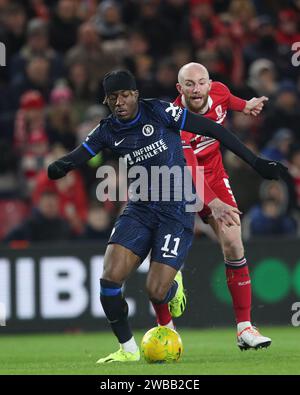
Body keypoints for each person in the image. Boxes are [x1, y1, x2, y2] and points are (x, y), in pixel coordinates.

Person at [48, 70, 286, 363]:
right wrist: (60, 166)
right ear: (107, 101)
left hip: (175, 208)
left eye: (124, 95)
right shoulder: (107, 129)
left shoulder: (162, 112)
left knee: (156, 290)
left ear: (136, 94)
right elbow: (80, 154)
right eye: (113, 98)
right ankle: (128, 349)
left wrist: (256, 162)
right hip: (140, 208)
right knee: (109, 280)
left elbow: (217, 131)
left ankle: (179, 293)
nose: (119, 102)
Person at [169, 62, 273, 350]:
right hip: (178, 183)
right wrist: (212, 204)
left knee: (234, 244)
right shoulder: (176, 121)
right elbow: (189, 171)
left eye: (201, 82)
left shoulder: (219, 92)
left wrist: (247, 105)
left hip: (215, 176)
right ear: (180, 89)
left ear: (209, 83)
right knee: (166, 256)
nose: (197, 89)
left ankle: (244, 329)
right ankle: (166, 329)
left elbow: (230, 101)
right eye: (189, 84)